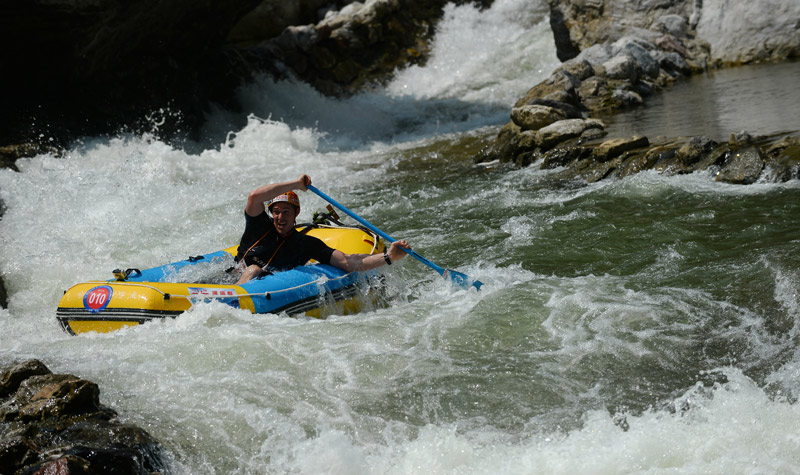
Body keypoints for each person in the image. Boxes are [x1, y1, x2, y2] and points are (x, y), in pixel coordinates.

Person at [234, 174, 410, 285]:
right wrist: (295, 184)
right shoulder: (259, 226)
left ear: (297, 213)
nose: (280, 218)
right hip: (234, 275)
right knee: (251, 270)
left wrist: (389, 256)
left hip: (264, 284)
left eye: (286, 212)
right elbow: (254, 197)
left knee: (254, 270)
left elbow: (349, 262)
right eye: (276, 212)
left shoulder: (306, 244)